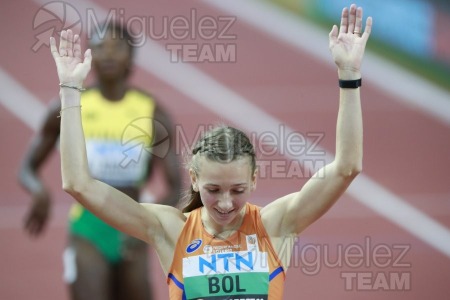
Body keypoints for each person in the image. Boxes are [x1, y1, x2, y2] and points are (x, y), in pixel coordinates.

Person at [49, 4, 372, 299]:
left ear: (255, 180)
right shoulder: (171, 230)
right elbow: (78, 183)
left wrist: (349, 76)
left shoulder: (276, 226)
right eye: (213, 190)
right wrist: (70, 90)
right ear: (193, 179)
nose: (226, 202)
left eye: (238, 189)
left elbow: (347, 166)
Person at [19, 22, 181, 300]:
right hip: (88, 228)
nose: (108, 54)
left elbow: (176, 186)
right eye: (100, 47)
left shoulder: (152, 112)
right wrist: (39, 191)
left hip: (132, 227)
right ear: (89, 55)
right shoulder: (68, 106)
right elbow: (27, 168)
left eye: (117, 47)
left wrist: (150, 223)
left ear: (131, 56)